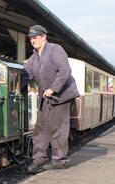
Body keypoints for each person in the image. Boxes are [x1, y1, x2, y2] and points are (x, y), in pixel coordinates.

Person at [22, 25, 80, 174]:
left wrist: (53, 88)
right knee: (40, 129)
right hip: (46, 97)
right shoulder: (33, 58)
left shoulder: (55, 49)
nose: (32, 41)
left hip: (62, 95)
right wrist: (14, 86)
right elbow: (26, 75)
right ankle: (39, 161)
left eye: (35, 38)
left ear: (43, 37)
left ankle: (59, 161)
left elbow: (65, 70)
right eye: (30, 39)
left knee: (58, 129)